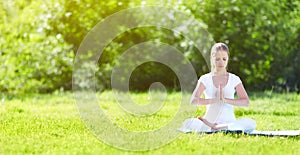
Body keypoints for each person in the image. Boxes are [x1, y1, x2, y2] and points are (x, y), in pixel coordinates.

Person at [178, 42, 256, 133]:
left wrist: (225, 100)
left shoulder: (234, 79)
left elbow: (246, 102)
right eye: (217, 59)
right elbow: (193, 101)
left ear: (228, 59)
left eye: (224, 59)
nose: (221, 62)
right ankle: (214, 127)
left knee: (251, 123)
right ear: (212, 59)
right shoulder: (205, 79)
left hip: (229, 122)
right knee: (188, 122)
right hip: (209, 122)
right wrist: (214, 100)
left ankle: (218, 127)